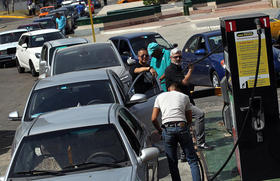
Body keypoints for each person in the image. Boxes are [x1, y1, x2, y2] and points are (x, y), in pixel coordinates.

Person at [165, 48, 213, 153]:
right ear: (171, 58)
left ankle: (184, 152)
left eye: (180, 57)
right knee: (199, 115)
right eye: (175, 57)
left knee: (186, 125)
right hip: (178, 101)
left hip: (185, 99)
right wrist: (191, 70)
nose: (178, 59)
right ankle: (200, 143)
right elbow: (184, 82)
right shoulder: (171, 69)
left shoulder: (177, 68)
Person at [151, 83, 201, 181]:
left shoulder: (160, 97)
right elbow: (189, 119)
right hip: (182, 127)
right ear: (178, 90)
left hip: (167, 129)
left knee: (172, 162)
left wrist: (160, 130)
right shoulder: (184, 97)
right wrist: (187, 128)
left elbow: (153, 119)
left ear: (169, 89)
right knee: (192, 160)